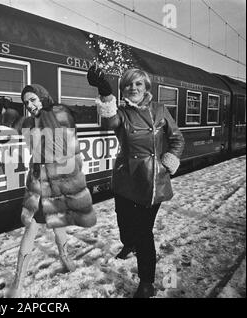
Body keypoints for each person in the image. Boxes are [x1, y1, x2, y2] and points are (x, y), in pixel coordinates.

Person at [87, 66, 185, 298]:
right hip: (125, 176)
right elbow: (108, 124)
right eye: (129, 84)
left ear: (146, 88)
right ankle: (128, 243)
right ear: (123, 89)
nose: (133, 88)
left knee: (143, 232)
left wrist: (168, 162)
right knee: (123, 221)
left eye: (138, 84)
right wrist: (105, 92)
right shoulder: (121, 112)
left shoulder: (160, 110)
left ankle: (146, 282)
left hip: (151, 181)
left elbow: (177, 139)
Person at [2, 84, 96, 298]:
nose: (30, 105)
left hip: (58, 182)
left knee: (58, 222)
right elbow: (18, 123)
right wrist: (7, 110)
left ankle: (64, 257)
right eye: (26, 102)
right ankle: (18, 283)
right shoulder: (29, 122)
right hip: (37, 183)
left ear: (44, 98)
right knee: (32, 227)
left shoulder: (57, 115)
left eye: (33, 99)